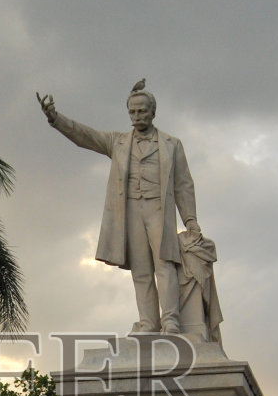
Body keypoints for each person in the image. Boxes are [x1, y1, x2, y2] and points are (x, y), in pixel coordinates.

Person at [38, 80, 207, 337]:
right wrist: (55, 118)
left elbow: (184, 185)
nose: (137, 116)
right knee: (141, 270)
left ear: (153, 112)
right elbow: (85, 136)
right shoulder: (117, 142)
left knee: (165, 265)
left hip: (158, 209)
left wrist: (190, 219)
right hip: (130, 211)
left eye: (142, 111)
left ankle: (171, 321)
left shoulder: (172, 144)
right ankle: (149, 322)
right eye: (132, 112)